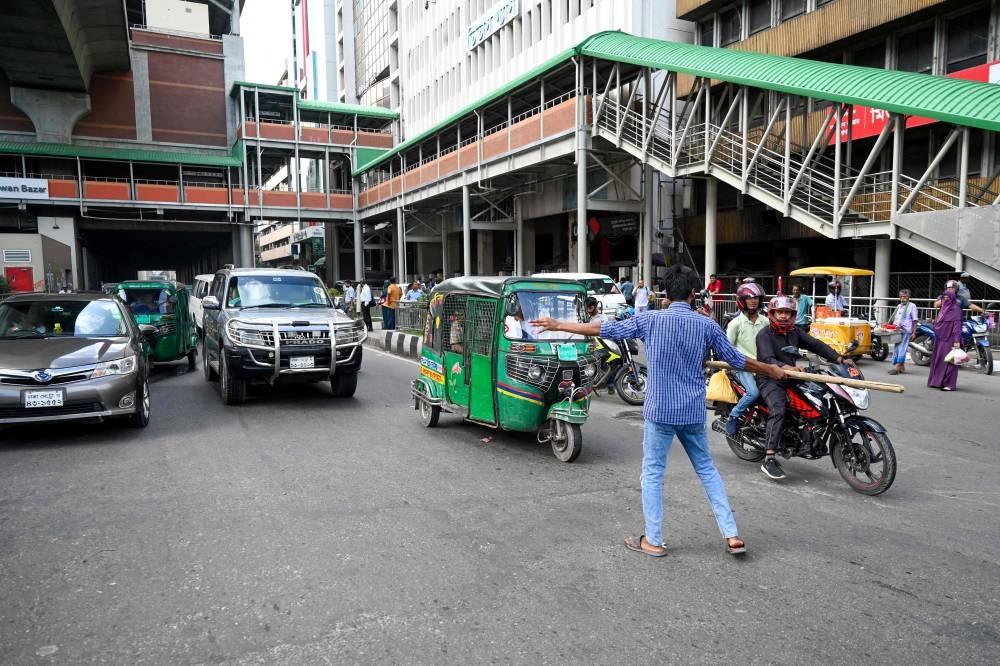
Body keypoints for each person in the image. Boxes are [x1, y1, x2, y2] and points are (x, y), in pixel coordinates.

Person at [531, 265, 785, 558]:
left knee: (652, 473)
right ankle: (732, 535)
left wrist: (558, 325)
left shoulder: (649, 320)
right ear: (693, 294)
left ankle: (654, 540)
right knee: (707, 471)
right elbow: (737, 360)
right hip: (691, 411)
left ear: (665, 295)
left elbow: (603, 328)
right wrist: (771, 369)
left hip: (660, 411)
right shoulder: (706, 326)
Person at [755, 295, 853, 480]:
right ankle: (769, 457)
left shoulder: (795, 332)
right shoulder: (764, 334)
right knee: (778, 409)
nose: (783, 316)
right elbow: (767, 359)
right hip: (769, 378)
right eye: (780, 312)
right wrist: (786, 367)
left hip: (794, 376)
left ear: (793, 315)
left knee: (818, 398)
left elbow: (816, 345)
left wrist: (839, 358)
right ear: (772, 313)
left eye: (787, 312)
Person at [723, 282, 768, 436]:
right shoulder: (735, 324)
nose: (753, 300)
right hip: (744, 367)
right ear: (742, 300)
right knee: (753, 393)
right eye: (749, 298)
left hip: (763, 367)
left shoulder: (765, 321)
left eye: (756, 297)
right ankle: (734, 415)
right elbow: (727, 348)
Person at [927, 280, 964, 391]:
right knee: (939, 360)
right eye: (944, 298)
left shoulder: (956, 309)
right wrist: (933, 321)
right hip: (940, 339)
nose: (946, 299)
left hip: (951, 340)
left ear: (953, 298)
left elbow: (957, 327)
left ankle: (949, 384)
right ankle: (937, 382)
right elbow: (940, 322)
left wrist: (957, 341)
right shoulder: (943, 309)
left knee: (950, 362)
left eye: (948, 298)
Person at [888, 289, 919, 376]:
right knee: (897, 347)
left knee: (902, 348)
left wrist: (914, 333)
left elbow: (915, 321)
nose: (902, 299)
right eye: (901, 297)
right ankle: (902, 367)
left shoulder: (912, 306)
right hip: (897, 330)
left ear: (908, 297)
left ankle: (897, 368)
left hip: (906, 331)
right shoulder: (899, 306)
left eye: (904, 297)